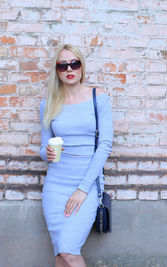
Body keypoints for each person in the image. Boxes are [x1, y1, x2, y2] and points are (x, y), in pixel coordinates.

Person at [39, 44, 113, 267]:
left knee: (69, 251)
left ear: (81, 67)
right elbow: (44, 148)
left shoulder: (97, 96)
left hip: (86, 185)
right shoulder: (48, 103)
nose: (69, 68)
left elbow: (105, 145)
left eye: (74, 63)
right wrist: (48, 154)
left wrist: (82, 189)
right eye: (63, 65)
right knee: (61, 255)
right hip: (55, 186)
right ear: (57, 70)